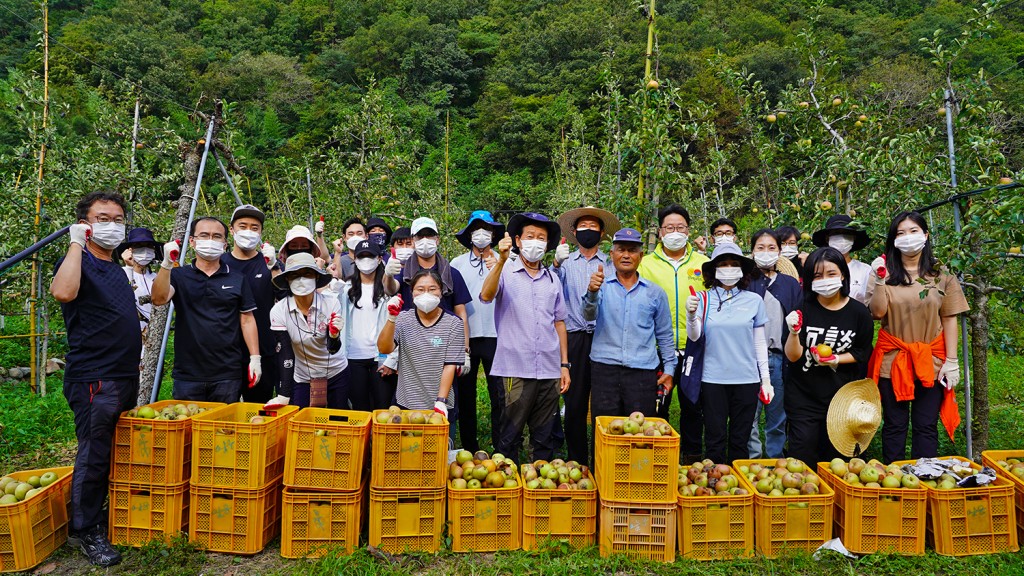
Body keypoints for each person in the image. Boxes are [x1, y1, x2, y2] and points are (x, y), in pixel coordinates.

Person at [50, 191, 140, 567]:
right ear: (85, 223)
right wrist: (75, 244)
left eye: (118, 219)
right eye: (103, 218)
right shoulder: (78, 260)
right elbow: (63, 291)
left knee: (114, 449)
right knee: (94, 452)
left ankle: (104, 514)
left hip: (123, 373)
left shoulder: (116, 268)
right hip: (94, 376)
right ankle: (86, 530)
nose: (113, 225)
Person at [868, 211, 968, 462]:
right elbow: (877, 313)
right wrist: (880, 281)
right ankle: (896, 481)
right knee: (894, 425)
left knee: (925, 425)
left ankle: (924, 479)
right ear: (893, 240)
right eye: (900, 233)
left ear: (925, 235)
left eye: (913, 231)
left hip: (931, 361)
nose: (907, 237)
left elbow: (949, 317)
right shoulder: (884, 272)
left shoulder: (941, 273)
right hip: (894, 360)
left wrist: (952, 361)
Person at [481, 212, 571, 465]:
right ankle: (507, 485)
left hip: (549, 369)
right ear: (518, 241)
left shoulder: (552, 278)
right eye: (530, 236)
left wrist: (564, 365)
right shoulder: (506, 271)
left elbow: (559, 322)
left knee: (544, 435)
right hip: (514, 368)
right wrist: (500, 260)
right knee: (510, 433)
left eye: (541, 238)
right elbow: (486, 296)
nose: (536, 242)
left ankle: (537, 487)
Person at [151, 217, 261, 403]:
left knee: (223, 429)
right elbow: (159, 298)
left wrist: (255, 357)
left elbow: (247, 319)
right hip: (188, 373)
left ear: (225, 244)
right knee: (186, 428)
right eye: (204, 235)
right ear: (192, 241)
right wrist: (166, 264)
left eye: (216, 236)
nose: (210, 240)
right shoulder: (179, 275)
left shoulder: (237, 278)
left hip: (227, 372)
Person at [783, 248, 874, 464]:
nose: (825, 280)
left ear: (843, 274)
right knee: (803, 455)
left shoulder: (859, 313)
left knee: (839, 459)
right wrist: (794, 332)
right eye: (817, 276)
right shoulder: (802, 309)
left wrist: (837, 359)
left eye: (831, 274)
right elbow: (793, 356)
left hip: (843, 398)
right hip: (803, 395)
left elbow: (862, 352)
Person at [685, 243, 773, 464]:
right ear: (714, 270)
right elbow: (695, 337)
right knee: (715, 438)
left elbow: (759, 343)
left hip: (746, 379)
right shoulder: (703, 299)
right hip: (712, 378)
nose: (729, 268)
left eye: (734, 264)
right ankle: (714, 488)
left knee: (739, 440)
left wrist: (766, 380)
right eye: (723, 264)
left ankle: (738, 491)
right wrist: (691, 314)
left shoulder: (754, 301)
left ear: (742, 270)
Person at [637, 204, 709, 462]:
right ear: (660, 231)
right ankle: (658, 458)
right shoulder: (645, 264)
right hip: (657, 347)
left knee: (693, 406)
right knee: (657, 406)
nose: (675, 232)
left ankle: (691, 459)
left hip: (694, 346)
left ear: (688, 231)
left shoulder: (704, 264)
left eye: (680, 227)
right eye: (670, 227)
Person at [550, 206, 620, 465]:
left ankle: (604, 461)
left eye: (593, 226)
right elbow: (551, 287)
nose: (588, 230)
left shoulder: (610, 263)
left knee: (604, 403)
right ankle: (577, 461)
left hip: (604, 335)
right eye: (583, 226)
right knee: (575, 404)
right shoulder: (566, 262)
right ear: (574, 232)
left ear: (602, 233)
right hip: (575, 337)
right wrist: (555, 262)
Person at [583, 228, 675, 421]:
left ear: (640, 256)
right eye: (621, 249)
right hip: (605, 368)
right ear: (612, 254)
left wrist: (669, 369)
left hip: (642, 371)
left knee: (640, 431)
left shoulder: (655, 293)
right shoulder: (601, 287)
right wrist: (591, 292)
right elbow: (588, 316)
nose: (626, 255)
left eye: (632, 250)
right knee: (605, 427)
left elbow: (665, 334)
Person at [450, 211, 505, 453]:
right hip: (468, 337)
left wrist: (500, 265)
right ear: (470, 234)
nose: (481, 233)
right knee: (466, 396)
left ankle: (501, 445)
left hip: (498, 335)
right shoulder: (457, 264)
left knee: (499, 395)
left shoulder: (506, 262)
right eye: (476, 229)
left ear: (493, 234)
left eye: (486, 229)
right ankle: (470, 447)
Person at [746, 229, 803, 459]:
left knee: (777, 417)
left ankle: (774, 462)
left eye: (771, 248)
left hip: (779, 359)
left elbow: (799, 317)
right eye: (760, 247)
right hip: (748, 359)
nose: (766, 252)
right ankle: (751, 461)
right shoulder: (745, 281)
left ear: (779, 252)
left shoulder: (790, 284)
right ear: (752, 251)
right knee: (749, 416)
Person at [377, 269, 464, 415]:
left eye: (432, 289)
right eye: (420, 289)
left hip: (440, 402)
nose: (426, 294)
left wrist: (441, 400)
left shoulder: (453, 323)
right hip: (406, 401)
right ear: (412, 293)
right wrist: (392, 318)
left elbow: (450, 365)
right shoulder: (403, 319)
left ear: (441, 292)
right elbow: (384, 348)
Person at [267, 253, 348, 408]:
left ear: (316, 277)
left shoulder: (330, 303)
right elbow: (285, 352)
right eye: (295, 275)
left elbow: (333, 348)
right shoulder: (279, 310)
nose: (301, 280)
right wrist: (284, 393)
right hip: (303, 375)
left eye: (307, 274)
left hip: (335, 372)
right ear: (287, 280)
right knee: (303, 422)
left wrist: (334, 334)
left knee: (337, 421)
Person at [223, 205, 279, 404]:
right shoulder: (220, 263)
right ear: (232, 230)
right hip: (226, 351)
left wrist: (274, 267)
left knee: (257, 408)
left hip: (264, 348)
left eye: (254, 228)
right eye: (243, 226)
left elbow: (283, 296)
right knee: (224, 410)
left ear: (261, 232)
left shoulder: (268, 263)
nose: (248, 231)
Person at [336, 240, 397, 411]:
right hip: (353, 357)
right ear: (355, 259)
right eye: (361, 256)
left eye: (370, 256)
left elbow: (396, 325)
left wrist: (393, 359)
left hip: (381, 358)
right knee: (359, 408)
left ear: (379, 259)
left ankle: (379, 439)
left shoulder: (387, 290)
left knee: (382, 407)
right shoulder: (345, 288)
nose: (366, 260)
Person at [812, 215, 873, 306]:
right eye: (835, 233)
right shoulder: (816, 267)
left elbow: (871, 303)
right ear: (827, 238)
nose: (841, 238)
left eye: (846, 233)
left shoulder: (865, 270)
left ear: (854, 238)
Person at [118, 227, 161, 339]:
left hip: (154, 336)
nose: (145, 250)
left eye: (148, 246)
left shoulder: (157, 278)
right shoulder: (120, 273)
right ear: (130, 250)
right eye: (139, 246)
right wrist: (128, 266)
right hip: (128, 335)